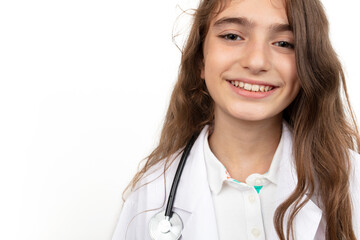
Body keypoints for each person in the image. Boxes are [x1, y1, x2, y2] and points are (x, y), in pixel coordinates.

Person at [112, 0, 360, 239]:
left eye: (284, 43)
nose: (256, 62)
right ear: (200, 58)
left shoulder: (352, 180)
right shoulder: (151, 196)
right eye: (232, 36)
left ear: (309, 63)